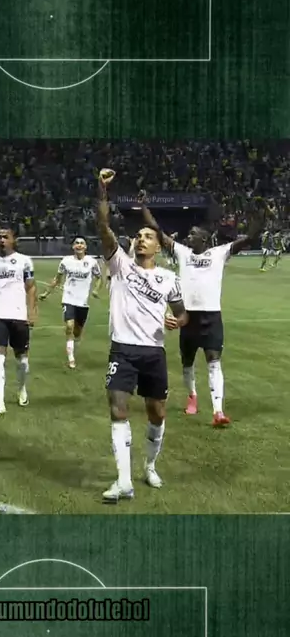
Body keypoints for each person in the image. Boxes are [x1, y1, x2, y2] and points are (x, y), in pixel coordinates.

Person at [97, 169, 188, 503]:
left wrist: (178, 321)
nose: (140, 239)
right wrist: (102, 191)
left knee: (157, 413)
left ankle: (149, 465)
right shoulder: (120, 264)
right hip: (122, 349)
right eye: (137, 236)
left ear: (158, 246)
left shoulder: (168, 278)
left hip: (153, 352)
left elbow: (182, 313)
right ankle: (124, 481)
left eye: (147, 236)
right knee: (118, 408)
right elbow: (103, 227)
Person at [141, 196, 268, 426]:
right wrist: (143, 207)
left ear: (204, 239)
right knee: (187, 363)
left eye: (192, 234)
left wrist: (262, 217)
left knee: (213, 361)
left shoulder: (219, 253)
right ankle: (192, 396)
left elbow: (249, 238)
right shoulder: (183, 253)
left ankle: (218, 411)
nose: (188, 237)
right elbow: (158, 231)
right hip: (188, 316)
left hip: (211, 316)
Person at [0, 225, 37, 418]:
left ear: (13, 240)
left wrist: (32, 311)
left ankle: (22, 389)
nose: (1, 240)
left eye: (5, 237)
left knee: (22, 359)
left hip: (18, 315)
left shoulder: (24, 261)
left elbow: (30, 287)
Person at [39, 236, 101, 369]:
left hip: (83, 302)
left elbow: (99, 277)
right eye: (76, 243)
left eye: (82, 243)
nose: (79, 245)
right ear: (73, 247)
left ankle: (73, 347)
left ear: (85, 247)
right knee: (69, 326)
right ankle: (71, 359)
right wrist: (46, 293)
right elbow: (57, 279)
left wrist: (96, 290)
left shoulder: (92, 262)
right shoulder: (66, 261)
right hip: (68, 299)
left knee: (78, 331)